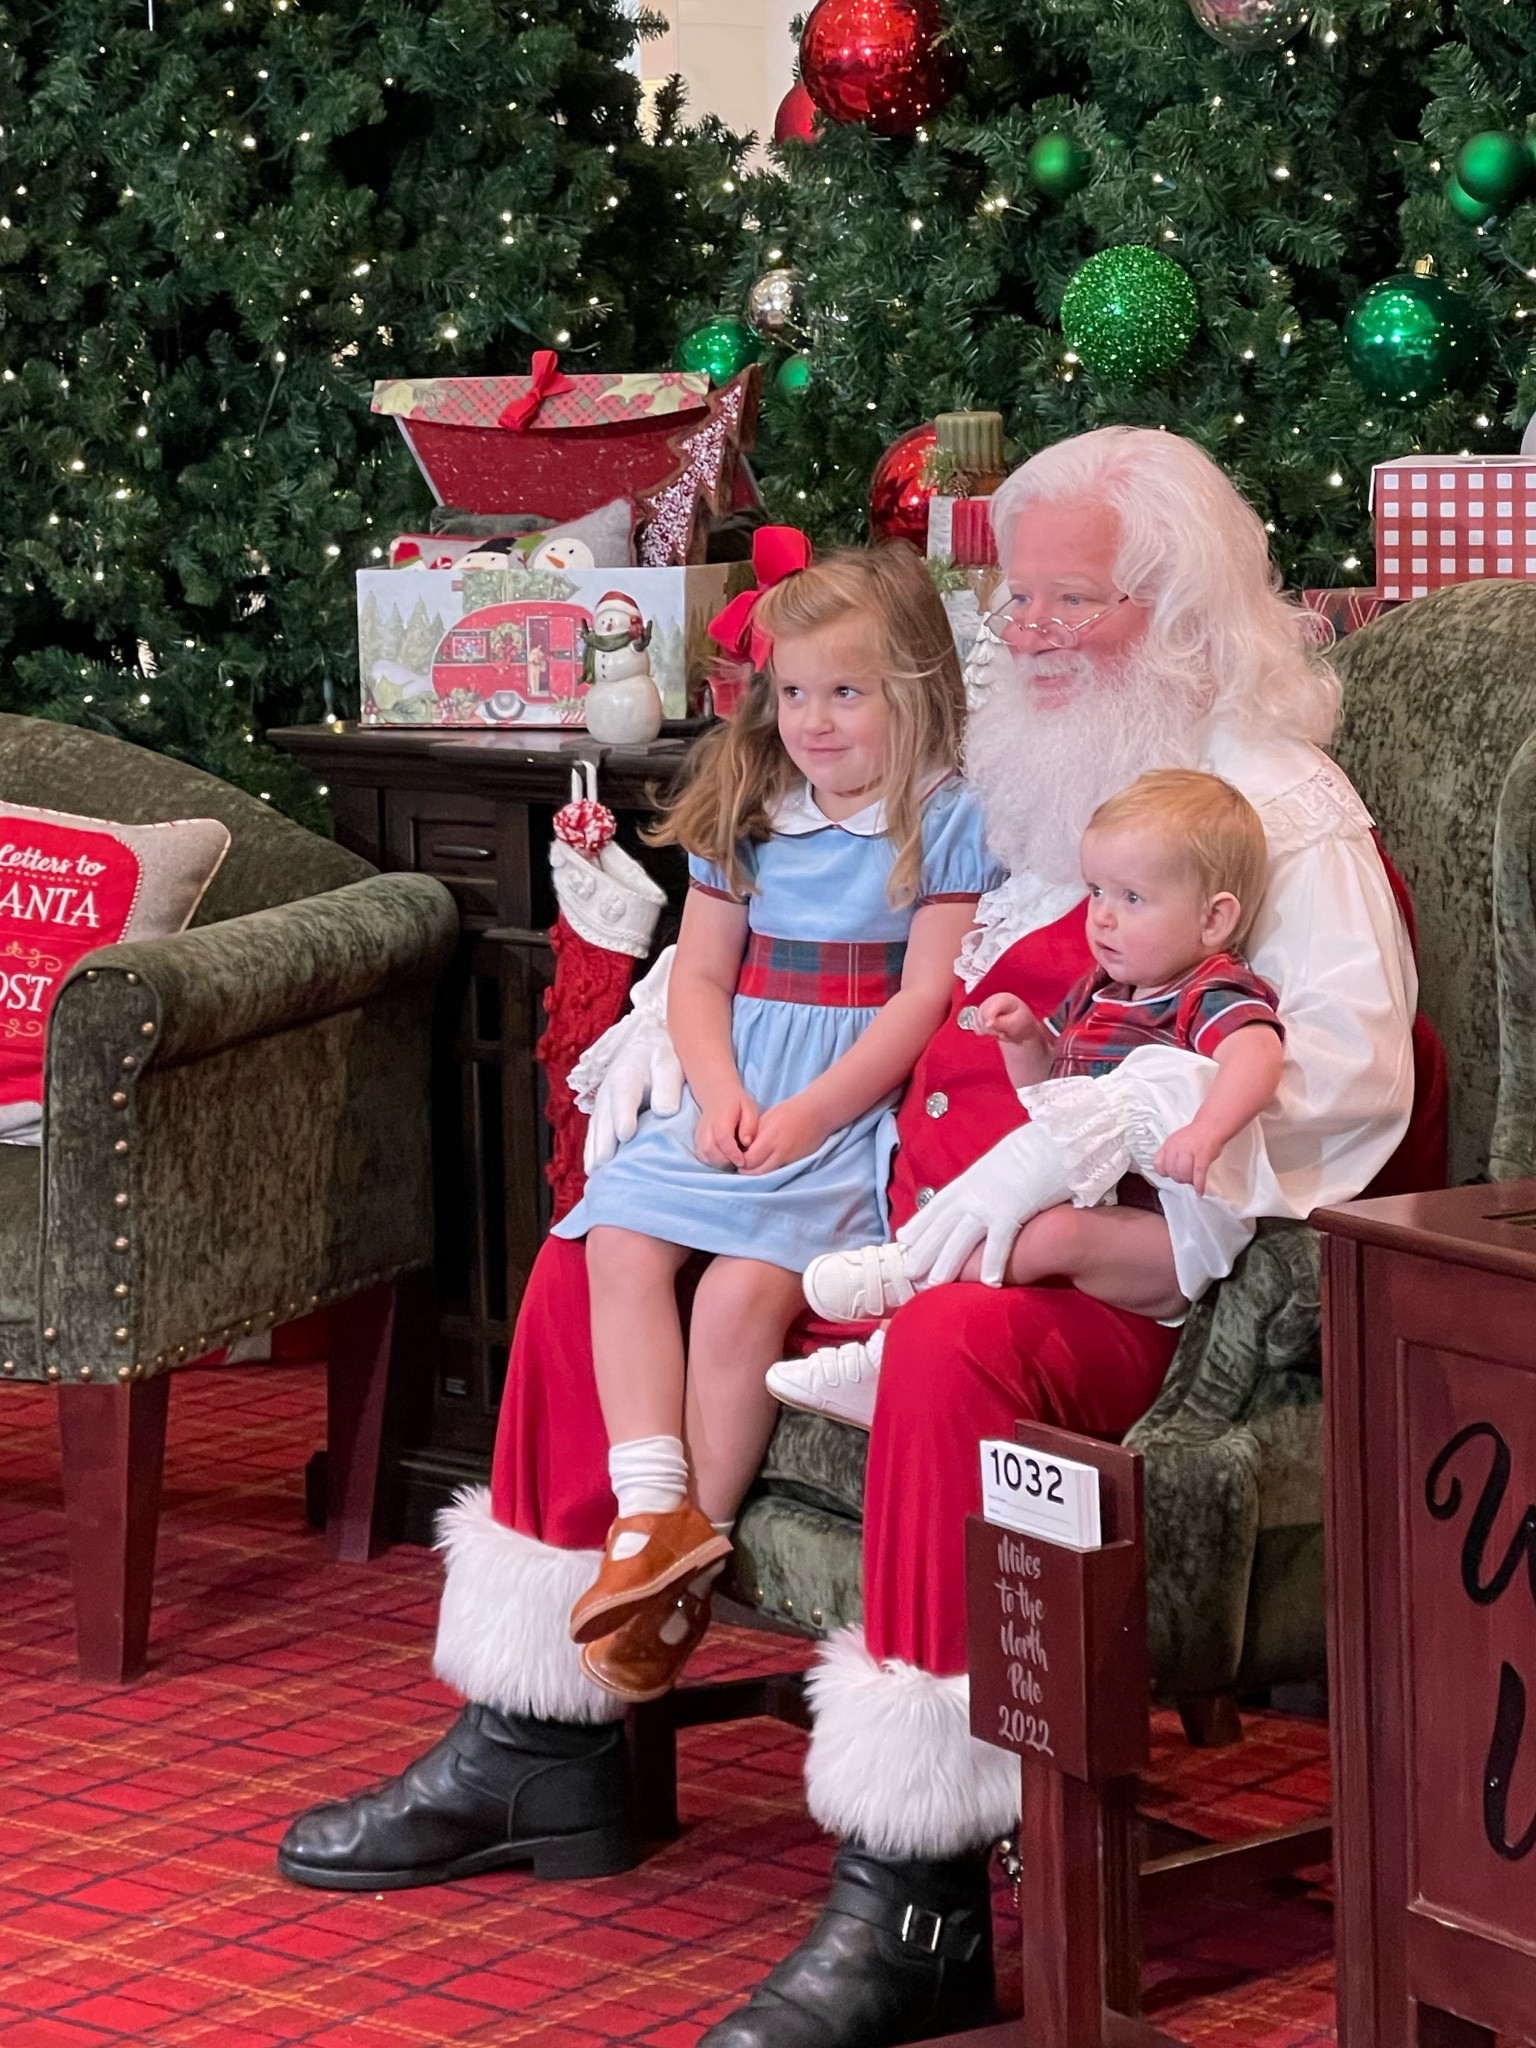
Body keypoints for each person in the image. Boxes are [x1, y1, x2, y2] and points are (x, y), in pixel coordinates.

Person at [278, 427, 1434, 2048]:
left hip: (1109, 1267)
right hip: (885, 1202)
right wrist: (690, 1060)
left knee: (953, 1342)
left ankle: (915, 1888)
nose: (1024, 631)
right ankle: (547, 1736)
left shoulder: (1274, 815)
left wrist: (1122, 1141)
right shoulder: (1028, 782)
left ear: (1180, 609)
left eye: (1071, 599)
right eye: (1012, 596)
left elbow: (1358, 1087)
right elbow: (886, 973)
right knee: (596, 1247)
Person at [555, 537, 1000, 1704]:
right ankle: (651, 1508)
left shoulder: (946, 819)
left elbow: (923, 999)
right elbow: (700, 977)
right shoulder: (750, 802)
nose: (814, 720)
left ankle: (687, 1553)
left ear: (915, 689)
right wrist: (720, 1094)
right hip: (739, 1084)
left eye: (845, 692)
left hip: (844, 1099)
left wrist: (805, 1114)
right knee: (621, 1240)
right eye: (794, 691)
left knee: (752, 1290)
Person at [792, 769, 1287, 1364]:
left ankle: (911, 1275)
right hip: (1105, 1214)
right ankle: (896, 1336)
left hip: (1174, 1239)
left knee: (1054, 1233)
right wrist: (1026, 1039)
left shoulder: (1208, 990)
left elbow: (1257, 1056)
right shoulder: (1100, 991)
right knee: (1028, 1211)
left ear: (1213, 920)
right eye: (1096, 891)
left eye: (1131, 898)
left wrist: (1206, 1131)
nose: (1101, 917)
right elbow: (1052, 1106)